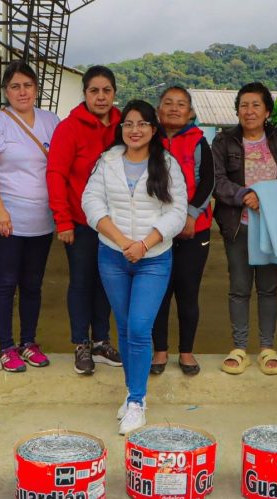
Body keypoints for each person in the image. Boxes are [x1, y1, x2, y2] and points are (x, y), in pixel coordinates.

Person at [82, 100, 187, 434]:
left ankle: (138, 402)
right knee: (126, 327)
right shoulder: (108, 161)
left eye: (142, 124)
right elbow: (91, 202)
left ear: (153, 129)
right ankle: (132, 393)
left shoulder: (167, 164)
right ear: (121, 128)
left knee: (140, 327)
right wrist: (123, 240)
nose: (134, 130)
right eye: (128, 123)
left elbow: (177, 212)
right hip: (113, 255)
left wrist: (144, 244)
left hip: (153, 259)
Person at [0, 61, 60, 372]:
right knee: (6, 283)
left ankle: (28, 343)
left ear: (36, 88)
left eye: (27, 85)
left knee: (33, 284)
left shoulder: (51, 121)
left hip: (41, 220)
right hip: (4, 217)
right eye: (15, 86)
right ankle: (7, 346)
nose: (22, 92)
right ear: (6, 91)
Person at [212, 82, 277, 375]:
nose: (249, 111)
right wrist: (244, 195)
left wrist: (266, 196)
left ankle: (266, 348)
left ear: (267, 111)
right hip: (239, 226)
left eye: (255, 105)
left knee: (268, 289)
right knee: (239, 289)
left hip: (272, 224)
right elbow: (218, 180)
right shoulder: (223, 141)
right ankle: (239, 348)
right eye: (243, 105)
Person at [47, 65, 124, 375]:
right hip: (80, 223)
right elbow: (56, 174)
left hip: (115, 224)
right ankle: (81, 343)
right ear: (85, 94)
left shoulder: (123, 126)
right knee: (82, 281)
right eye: (94, 91)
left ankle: (101, 341)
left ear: (114, 93)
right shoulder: (69, 128)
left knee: (107, 281)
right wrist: (63, 220)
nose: (101, 97)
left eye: (107, 90)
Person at [151, 86, 215, 375]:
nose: (174, 108)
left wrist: (190, 216)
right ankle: (160, 351)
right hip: (157, 231)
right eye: (168, 103)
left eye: (181, 104)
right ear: (158, 111)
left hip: (194, 230)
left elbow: (208, 182)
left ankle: (186, 352)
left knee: (187, 293)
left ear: (190, 113)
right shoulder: (149, 140)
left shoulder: (199, 141)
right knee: (159, 293)